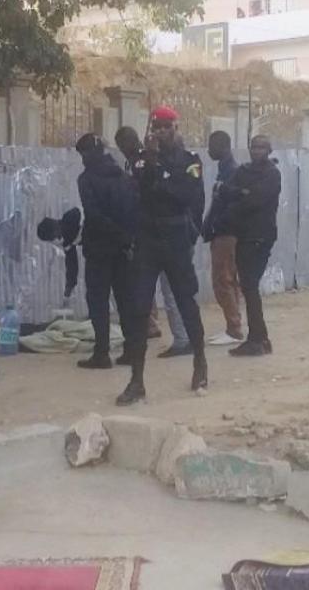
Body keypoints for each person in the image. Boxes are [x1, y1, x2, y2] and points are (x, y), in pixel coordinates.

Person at [117, 106, 208, 405]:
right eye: (156, 127)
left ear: (175, 128)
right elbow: (139, 191)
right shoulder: (143, 160)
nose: (161, 132)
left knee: (186, 303)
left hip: (176, 239)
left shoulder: (190, 160)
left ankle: (200, 363)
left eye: (166, 127)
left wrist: (160, 183)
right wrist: (156, 169)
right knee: (139, 309)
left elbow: (186, 195)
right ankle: (136, 381)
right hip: (148, 240)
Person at [115, 125, 185, 354]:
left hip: (155, 233)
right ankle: (154, 326)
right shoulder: (137, 162)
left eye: (124, 144)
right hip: (151, 232)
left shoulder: (143, 163)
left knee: (166, 289)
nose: (123, 149)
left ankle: (181, 338)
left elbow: (141, 196)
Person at [74, 133, 140, 369]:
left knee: (98, 301)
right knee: (125, 299)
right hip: (122, 248)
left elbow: (93, 214)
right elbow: (133, 210)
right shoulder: (123, 176)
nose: (83, 159)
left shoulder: (87, 179)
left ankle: (101, 353)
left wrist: (115, 234)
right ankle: (131, 350)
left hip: (99, 247)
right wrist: (126, 238)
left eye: (83, 154)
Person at [220, 135, 282, 357]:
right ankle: (259, 337)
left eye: (261, 147)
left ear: (269, 150)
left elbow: (255, 201)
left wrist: (241, 195)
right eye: (254, 147)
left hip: (260, 236)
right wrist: (241, 193)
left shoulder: (272, 174)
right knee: (248, 286)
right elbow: (225, 192)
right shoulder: (243, 171)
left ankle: (257, 339)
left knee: (250, 285)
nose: (256, 151)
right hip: (244, 235)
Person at [203, 130, 243, 346]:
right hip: (223, 232)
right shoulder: (224, 170)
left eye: (212, 145)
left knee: (222, 281)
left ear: (223, 146)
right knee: (228, 280)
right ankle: (233, 326)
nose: (209, 150)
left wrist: (217, 225)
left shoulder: (232, 172)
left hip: (226, 234)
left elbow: (232, 205)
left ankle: (234, 329)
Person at [36, 209, 82, 299]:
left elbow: (77, 212)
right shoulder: (66, 242)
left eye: (53, 235)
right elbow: (72, 265)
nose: (56, 238)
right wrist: (70, 285)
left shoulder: (68, 219)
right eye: (52, 238)